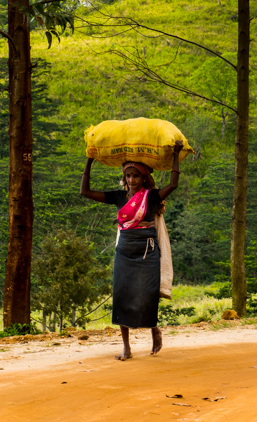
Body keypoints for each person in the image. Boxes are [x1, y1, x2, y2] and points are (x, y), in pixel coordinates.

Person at [80, 140, 183, 360]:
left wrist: (175, 155)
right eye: (128, 176)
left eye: (135, 176)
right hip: (124, 252)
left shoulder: (152, 197)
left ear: (144, 178)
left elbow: (173, 185)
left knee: (147, 296)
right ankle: (126, 347)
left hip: (147, 251)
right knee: (121, 296)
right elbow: (85, 191)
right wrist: (89, 160)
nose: (131, 180)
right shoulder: (118, 197)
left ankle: (153, 328)